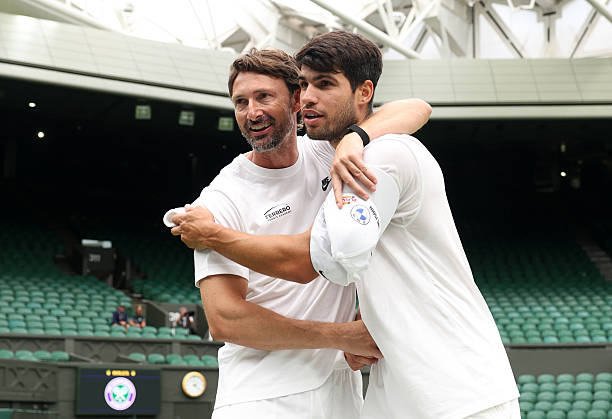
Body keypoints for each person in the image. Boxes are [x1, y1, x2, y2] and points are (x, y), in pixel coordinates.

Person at [172, 31, 519, 419]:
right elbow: (224, 319)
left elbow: (416, 107)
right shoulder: (217, 200)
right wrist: (340, 333)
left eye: (265, 97)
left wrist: (356, 139)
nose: (252, 112)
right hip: (264, 395)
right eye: (240, 102)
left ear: (293, 103)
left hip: (364, 392)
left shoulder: (341, 154)